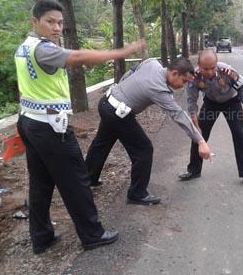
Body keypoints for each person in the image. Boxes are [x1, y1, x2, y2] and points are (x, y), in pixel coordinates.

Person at [16, 0, 141, 254]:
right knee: (76, 180)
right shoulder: (43, 49)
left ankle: (41, 237)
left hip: (29, 122)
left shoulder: (25, 47)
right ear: (35, 22)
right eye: (50, 22)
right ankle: (92, 234)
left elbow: (66, 64)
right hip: (50, 127)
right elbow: (78, 55)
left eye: (60, 22)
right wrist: (120, 53)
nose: (57, 27)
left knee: (40, 183)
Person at [85, 57, 213, 205]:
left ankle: (88, 178)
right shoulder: (159, 89)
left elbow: (131, 72)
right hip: (118, 114)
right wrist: (201, 141)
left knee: (102, 143)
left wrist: (123, 89)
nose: (183, 86)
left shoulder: (152, 63)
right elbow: (178, 115)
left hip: (106, 102)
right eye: (184, 81)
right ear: (175, 73)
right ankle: (137, 194)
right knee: (143, 150)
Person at [178, 50, 243, 189]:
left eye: (212, 67)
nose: (209, 71)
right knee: (199, 135)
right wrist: (196, 125)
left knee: (240, 135)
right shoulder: (194, 77)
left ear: (216, 64)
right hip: (211, 102)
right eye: (205, 68)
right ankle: (193, 170)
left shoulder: (227, 71)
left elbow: (242, 89)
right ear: (199, 65)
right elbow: (192, 102)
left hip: (232, 102)